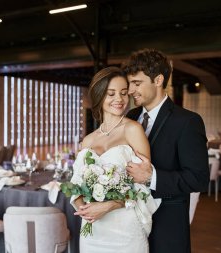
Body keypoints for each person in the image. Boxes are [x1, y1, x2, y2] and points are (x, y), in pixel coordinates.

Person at [122, 48, 210, 253]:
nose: (131, 90)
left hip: (167, 226)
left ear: (158, 80)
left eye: (137, 83)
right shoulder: (130, 117)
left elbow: (199, 178)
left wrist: (151, 177)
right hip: (129, 225)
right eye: (129, 83)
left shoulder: (188, 121)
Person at [70, 66, 160, 252]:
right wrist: (84, 209)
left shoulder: (133, 129)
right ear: (99, 96)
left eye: (124, 93)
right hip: (93, 231)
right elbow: (76, 185)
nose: (119, 99)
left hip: (125, 229)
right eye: (111, 94)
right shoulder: (88, 140)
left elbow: (144, 185)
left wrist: (110, 205)